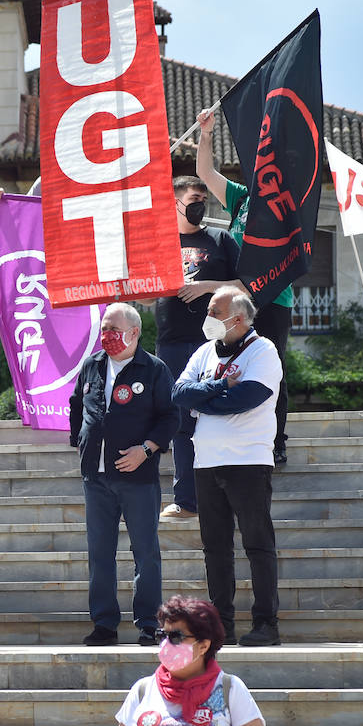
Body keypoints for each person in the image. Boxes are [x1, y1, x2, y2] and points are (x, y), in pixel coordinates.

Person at [172, 287, 283, 647]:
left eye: (214, 312)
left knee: (257, 544)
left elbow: (245, 398)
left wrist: (203, 399)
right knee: (215, 549)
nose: (208, 318)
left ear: (238, 318)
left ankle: (266, 624)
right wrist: (218, 385)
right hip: (206, 461)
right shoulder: (205, 351)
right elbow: (179, 393)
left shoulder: (263, 351)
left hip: (248, 460)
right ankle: (221, 626)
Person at [68, 302, 178, 647]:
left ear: (134, 332)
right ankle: (104, 624)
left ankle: (148, 624)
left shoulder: (154, 369)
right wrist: (80, 441)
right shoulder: (92, 365)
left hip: (138, 478)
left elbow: (170, 417)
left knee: (146, 553)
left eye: (113, 329)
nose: (107, 335)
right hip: (96, 478)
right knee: (100, 554)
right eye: (104, 328)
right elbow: (76, 405)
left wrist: (146, 449)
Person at [195, 107, 294, 466]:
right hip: (238, 301)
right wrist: (207, 133)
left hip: (274, 299)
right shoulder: (241, 198)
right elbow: (205, 173)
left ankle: (276, 441)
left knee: (270, 367)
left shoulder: (288, 202)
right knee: (230, 364)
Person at [151, 175, 240, 521]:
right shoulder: (159, 242)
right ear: (174, 202)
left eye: (204, 199)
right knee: (181, 421)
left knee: (219, 414)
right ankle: (186, 501)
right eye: (194, 199)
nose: (200, 205)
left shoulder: (220, 239)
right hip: (171, 342)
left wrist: (205, 287)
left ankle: (226, 498)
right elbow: (145, 297)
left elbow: (244, 285)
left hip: (215, 342)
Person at [110, 596, 270, 726]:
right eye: (162, 635)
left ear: (203, 646)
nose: (166, 643)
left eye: (176, 637)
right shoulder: (143, 689)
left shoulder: (230, 689)